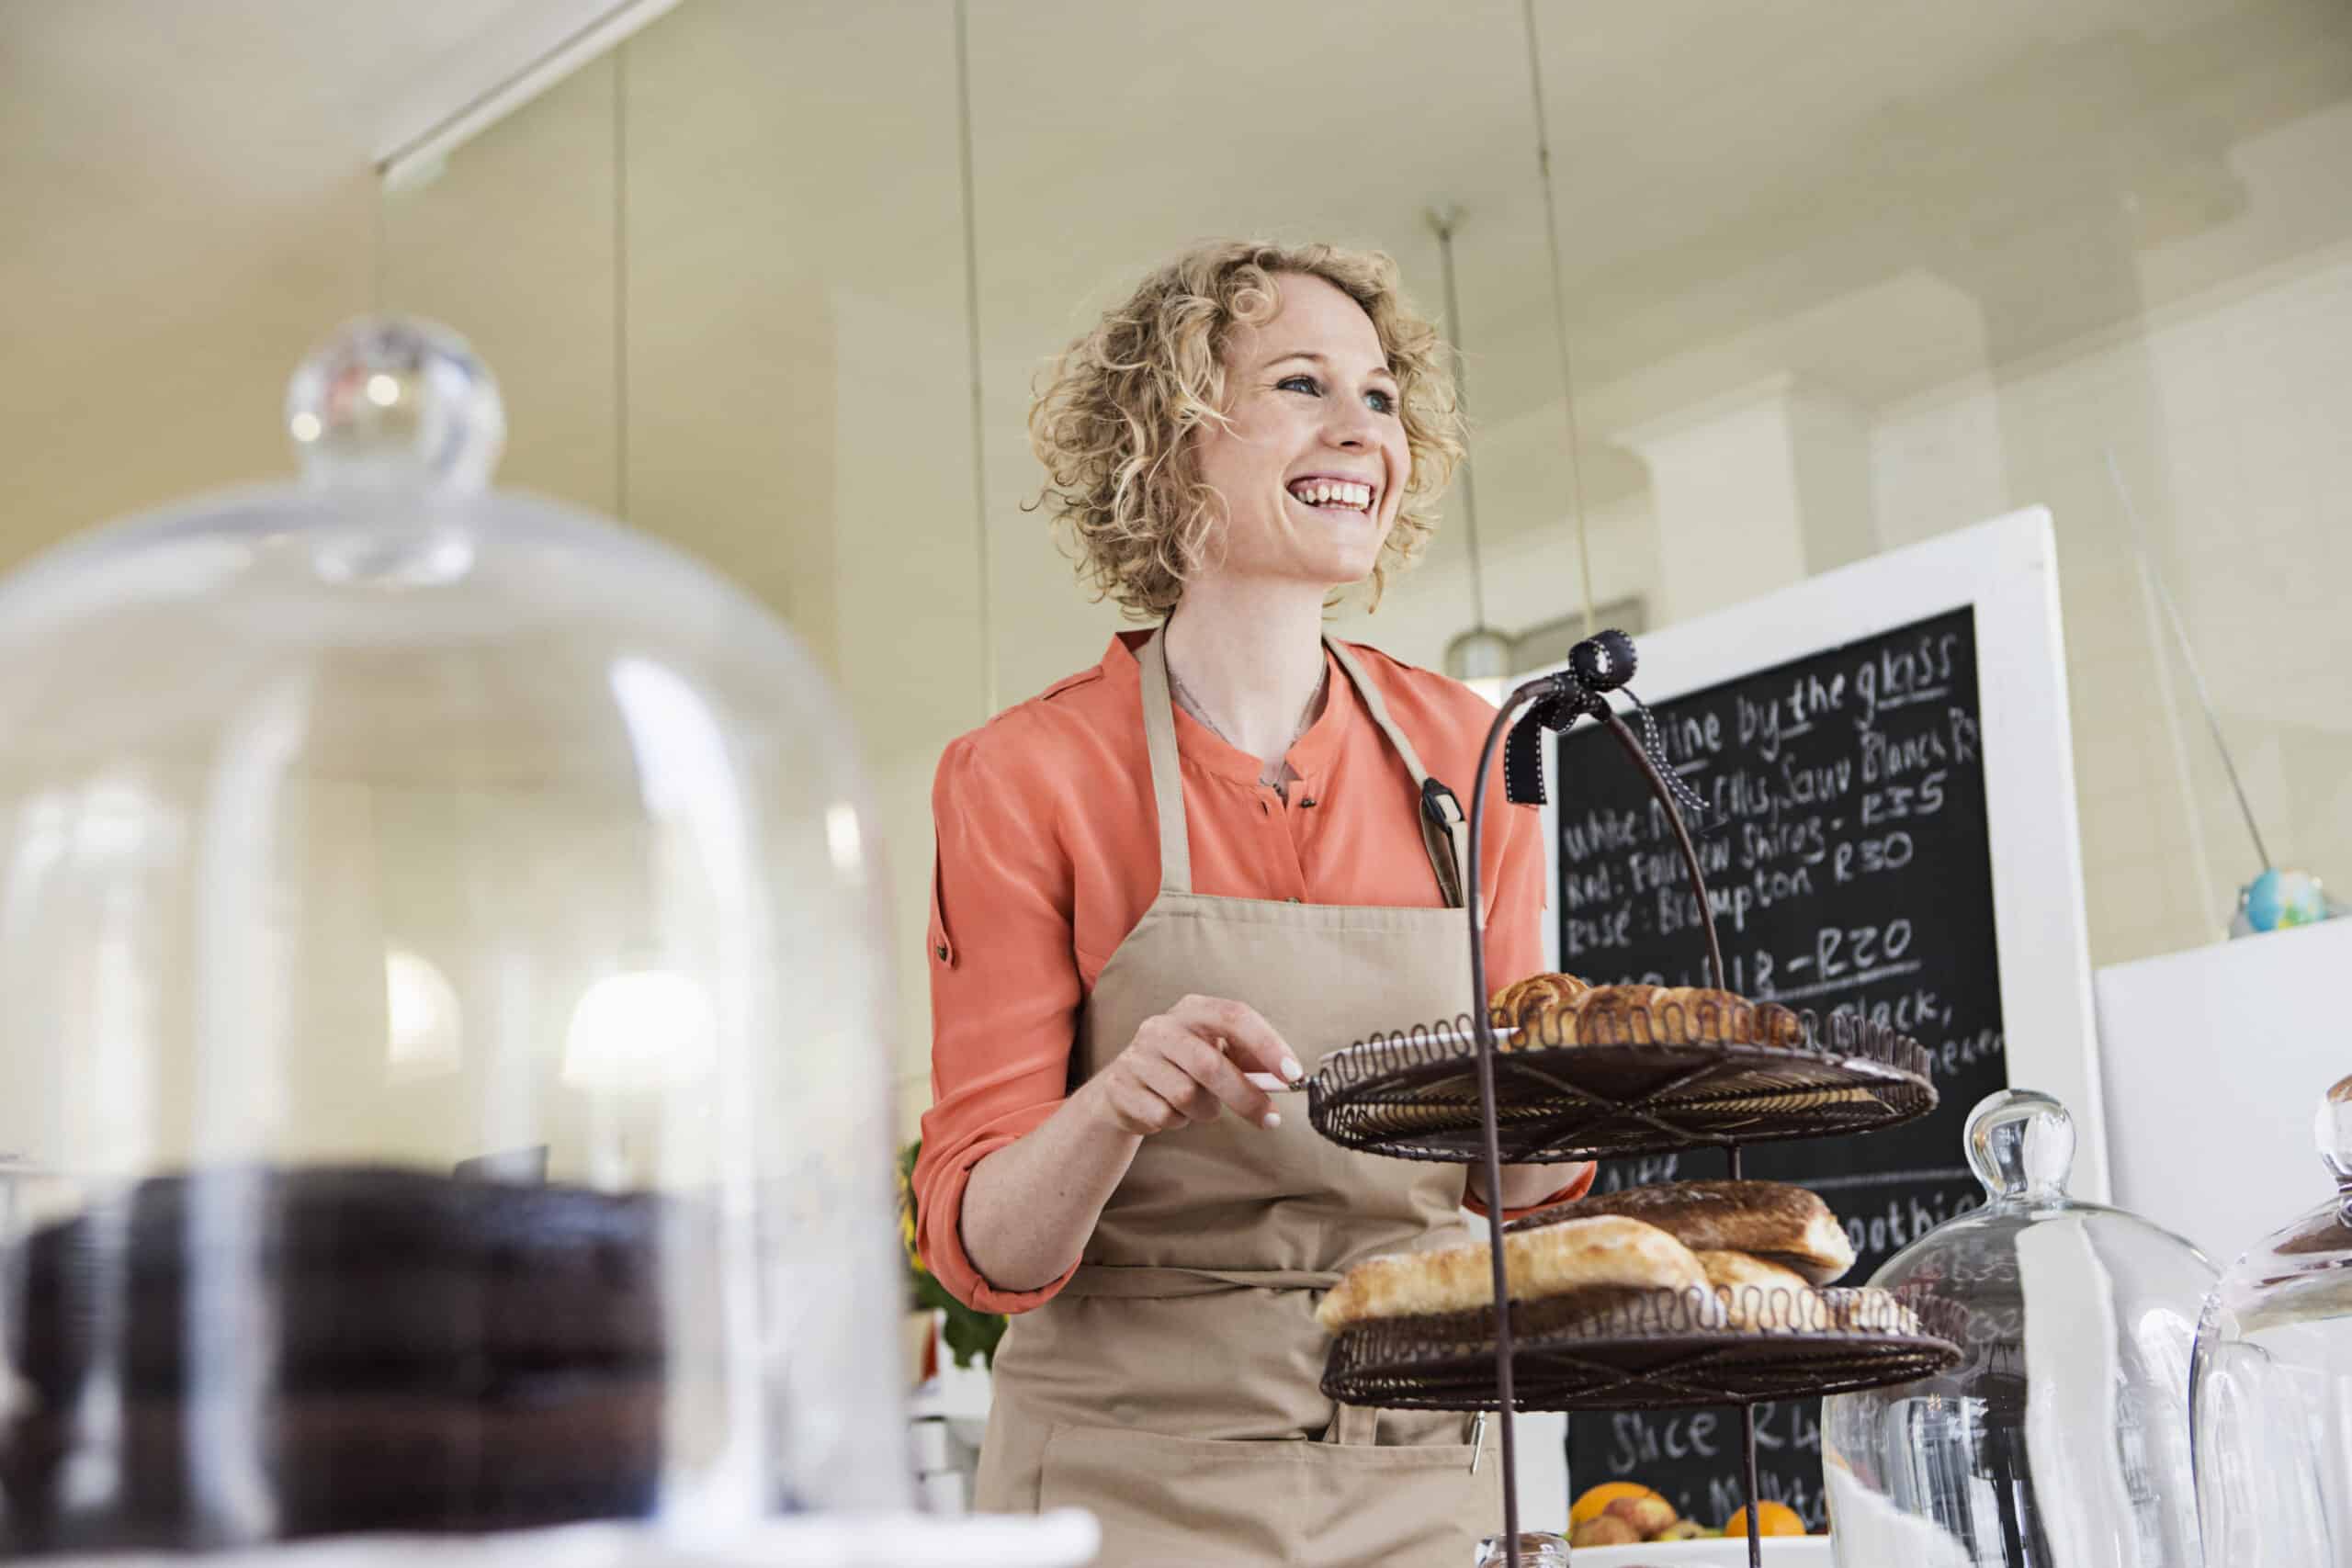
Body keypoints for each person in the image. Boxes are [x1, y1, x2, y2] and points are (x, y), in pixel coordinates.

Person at [913, 240, 1595, 1565]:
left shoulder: (1475, 753)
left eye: (1382, 397)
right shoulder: (1026, 776)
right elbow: (984, 1246)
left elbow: (1519, 1185)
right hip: (1121, 1480)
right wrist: (1118, 1101)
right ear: (1173, 447)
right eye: (1301, 385)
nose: (1361, 430)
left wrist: (1593, 1090)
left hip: (1413, 1456)